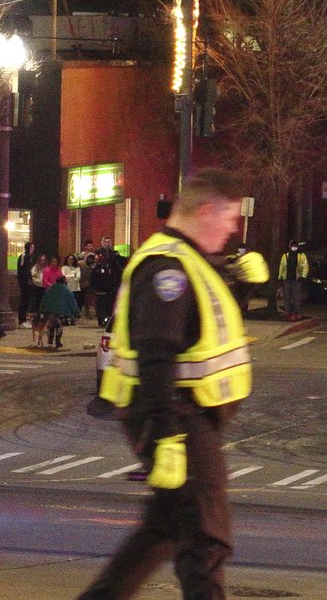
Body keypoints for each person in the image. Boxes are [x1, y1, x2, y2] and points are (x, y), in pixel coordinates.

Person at [78, 168, 268, 599]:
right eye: (229, 218)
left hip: (183, 416)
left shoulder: (189, 262)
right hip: (177, 419)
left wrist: (240, 288)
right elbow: (157, 356)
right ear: (204, 211)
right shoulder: (168, 268)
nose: (233, 228)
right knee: (205, 536)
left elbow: (200, 336)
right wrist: (165, 437)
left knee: (162, 529)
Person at [39, 275, 80, 348]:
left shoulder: (50, 289)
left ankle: (50, 341)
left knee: (51, 326)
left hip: (50, 312)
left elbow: (44, 300)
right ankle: (58, 341)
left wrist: (41, 310)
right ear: (64, 281)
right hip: (61, 313)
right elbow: (72, 302)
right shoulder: (67, 290)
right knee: (59, 327)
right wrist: (76, 313)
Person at [277, 240, 309, 321]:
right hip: (287, 279)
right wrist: (280, 277)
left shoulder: (301, 256)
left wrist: (303, 276)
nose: (294, 247)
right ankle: (288, 311)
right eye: (292, 246)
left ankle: (297, 312)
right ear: (289, 247)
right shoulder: (286, 256)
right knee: (287, 296)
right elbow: (282, 267)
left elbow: (305, 266)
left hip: (297, 279)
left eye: (295, 246)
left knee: (296, 297)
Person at [91, 252, 117, 327]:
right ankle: (101, 320)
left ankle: (106, 320)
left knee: (106, 306)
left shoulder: (108, 268)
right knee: (101, 306)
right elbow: (95, 279)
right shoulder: (97, 269)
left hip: (107, 291)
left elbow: (109, 278)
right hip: (100, 291)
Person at [16, 242, 34, 327]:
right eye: (32, 248)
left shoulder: (29, 257)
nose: (33, 250)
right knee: (23, 300)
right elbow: (23, 270)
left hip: (27, 282)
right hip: (24, 282)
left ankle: (24, 319)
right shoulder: (23, 256)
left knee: (27, 300)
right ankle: (21, 320)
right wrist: (26, 279)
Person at [62, 254, 83, 321]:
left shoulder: (77, 268)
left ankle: (75, 315)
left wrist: (71, 277)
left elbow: (78, 277)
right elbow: (64, 277)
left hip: (76, 288)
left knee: (75, 302)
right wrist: (73, 275)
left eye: (72, 259)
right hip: (67, 288)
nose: (71, 261)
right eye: (69, 259)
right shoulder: (64, 268)